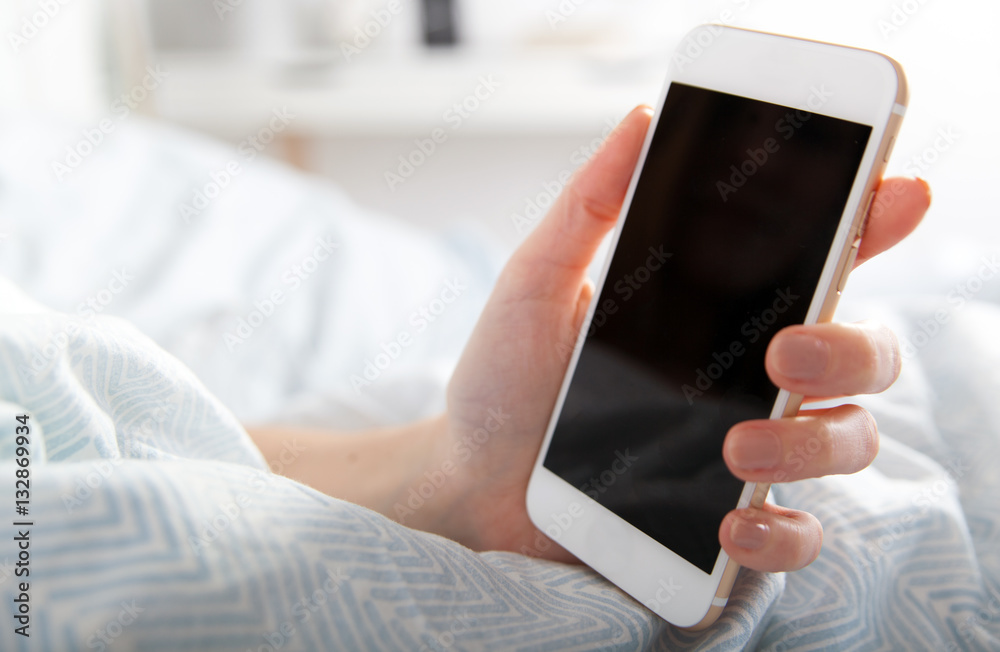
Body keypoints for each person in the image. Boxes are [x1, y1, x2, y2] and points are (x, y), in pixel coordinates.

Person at [247, 106, 931, 574]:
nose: (754, 160)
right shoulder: (553, 361)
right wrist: (464, 471)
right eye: (726, 122)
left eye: (808, 138)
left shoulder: (810, 371)